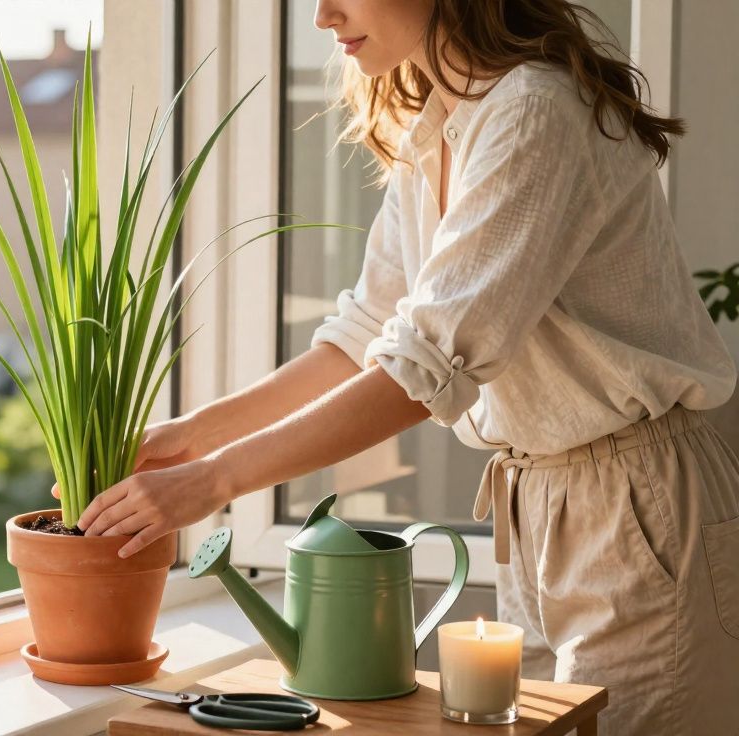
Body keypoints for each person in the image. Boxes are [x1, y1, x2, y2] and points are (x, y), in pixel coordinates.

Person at [68, 1, 739, 733]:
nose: (323, 16)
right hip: (538, 503)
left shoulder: (532, 112)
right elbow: (365, 333)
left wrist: (215, 481)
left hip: (635, 508)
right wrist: (193, 437)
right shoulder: (434, 125)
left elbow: (423, 368)